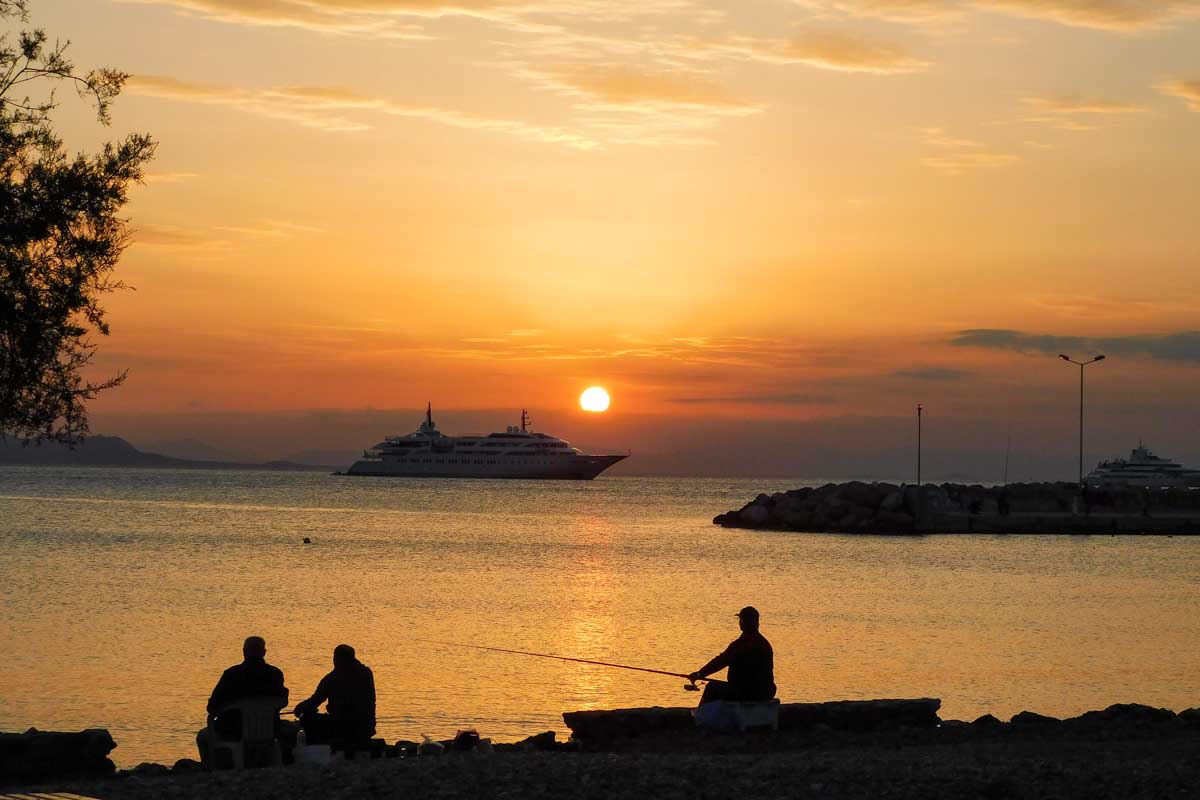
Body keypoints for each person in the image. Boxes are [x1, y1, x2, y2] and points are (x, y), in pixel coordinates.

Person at [196, 636, 290, 764]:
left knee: (202, 736)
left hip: (233, 732)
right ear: (264, 652)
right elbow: (283, 701)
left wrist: (225, 709)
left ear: (244, 652)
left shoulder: (231, 674)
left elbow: (211, 707)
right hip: (269, 730)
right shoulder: (275, 673)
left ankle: (210, 768)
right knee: (290, 729)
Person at [687, 606, 775, 705]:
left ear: (743, 622)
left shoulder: (740, 645)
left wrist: (699, 674)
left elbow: (720, 661)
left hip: (746, 692)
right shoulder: (765, 644)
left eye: (740, 619)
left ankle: (701, 717)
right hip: (765, 692)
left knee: (712, 688)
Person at [293, 644, 376, 749]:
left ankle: (317, 748)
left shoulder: (332, 678)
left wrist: (301, 708)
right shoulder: (366, 673)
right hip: (366, 727)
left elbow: (315, 700)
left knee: (307, 718)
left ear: (337, 659)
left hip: (342, 726)